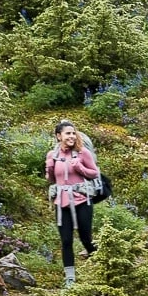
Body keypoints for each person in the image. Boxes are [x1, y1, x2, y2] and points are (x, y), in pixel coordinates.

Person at [45, 119, 99, 285]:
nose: (72, 136)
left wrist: (80, 168)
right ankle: (70, 279)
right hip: (62, 204)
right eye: (68, 133)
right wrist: (49, 168)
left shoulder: (83, 153)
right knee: (66, 241)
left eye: (73, 133)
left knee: (86, 238)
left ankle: (102, 263)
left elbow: (94, 173)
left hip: (82, 200)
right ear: (58, 136)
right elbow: (52, 179)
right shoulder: (52, 155)